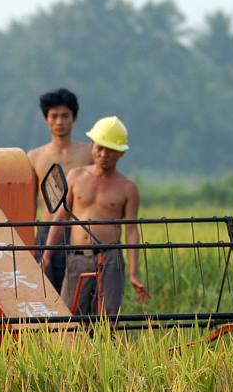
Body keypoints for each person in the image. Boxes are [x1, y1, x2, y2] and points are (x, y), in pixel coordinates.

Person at [41, 116, 149, 316]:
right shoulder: (75, 176)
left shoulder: (128, 188)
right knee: (71, 314)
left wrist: (133, 273)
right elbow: (61, 218)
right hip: (78, 257)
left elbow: (132, 231)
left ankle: (105, 346)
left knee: (107, 315)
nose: (103, 154)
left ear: (120, 153)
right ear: (91, 146)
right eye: (99, 147)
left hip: (110, 259)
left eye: (110, 150)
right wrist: (47, 254)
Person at [27, 88, 89, 291]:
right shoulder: (34, 157)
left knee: (77, 288)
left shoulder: (89, 154)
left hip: (78, 230)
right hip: (46, 229)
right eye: (54, 116)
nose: (60, 122)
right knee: (47, 289)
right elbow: (29, 202)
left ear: (74, 117)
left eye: (65, 116)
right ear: (46, 119)